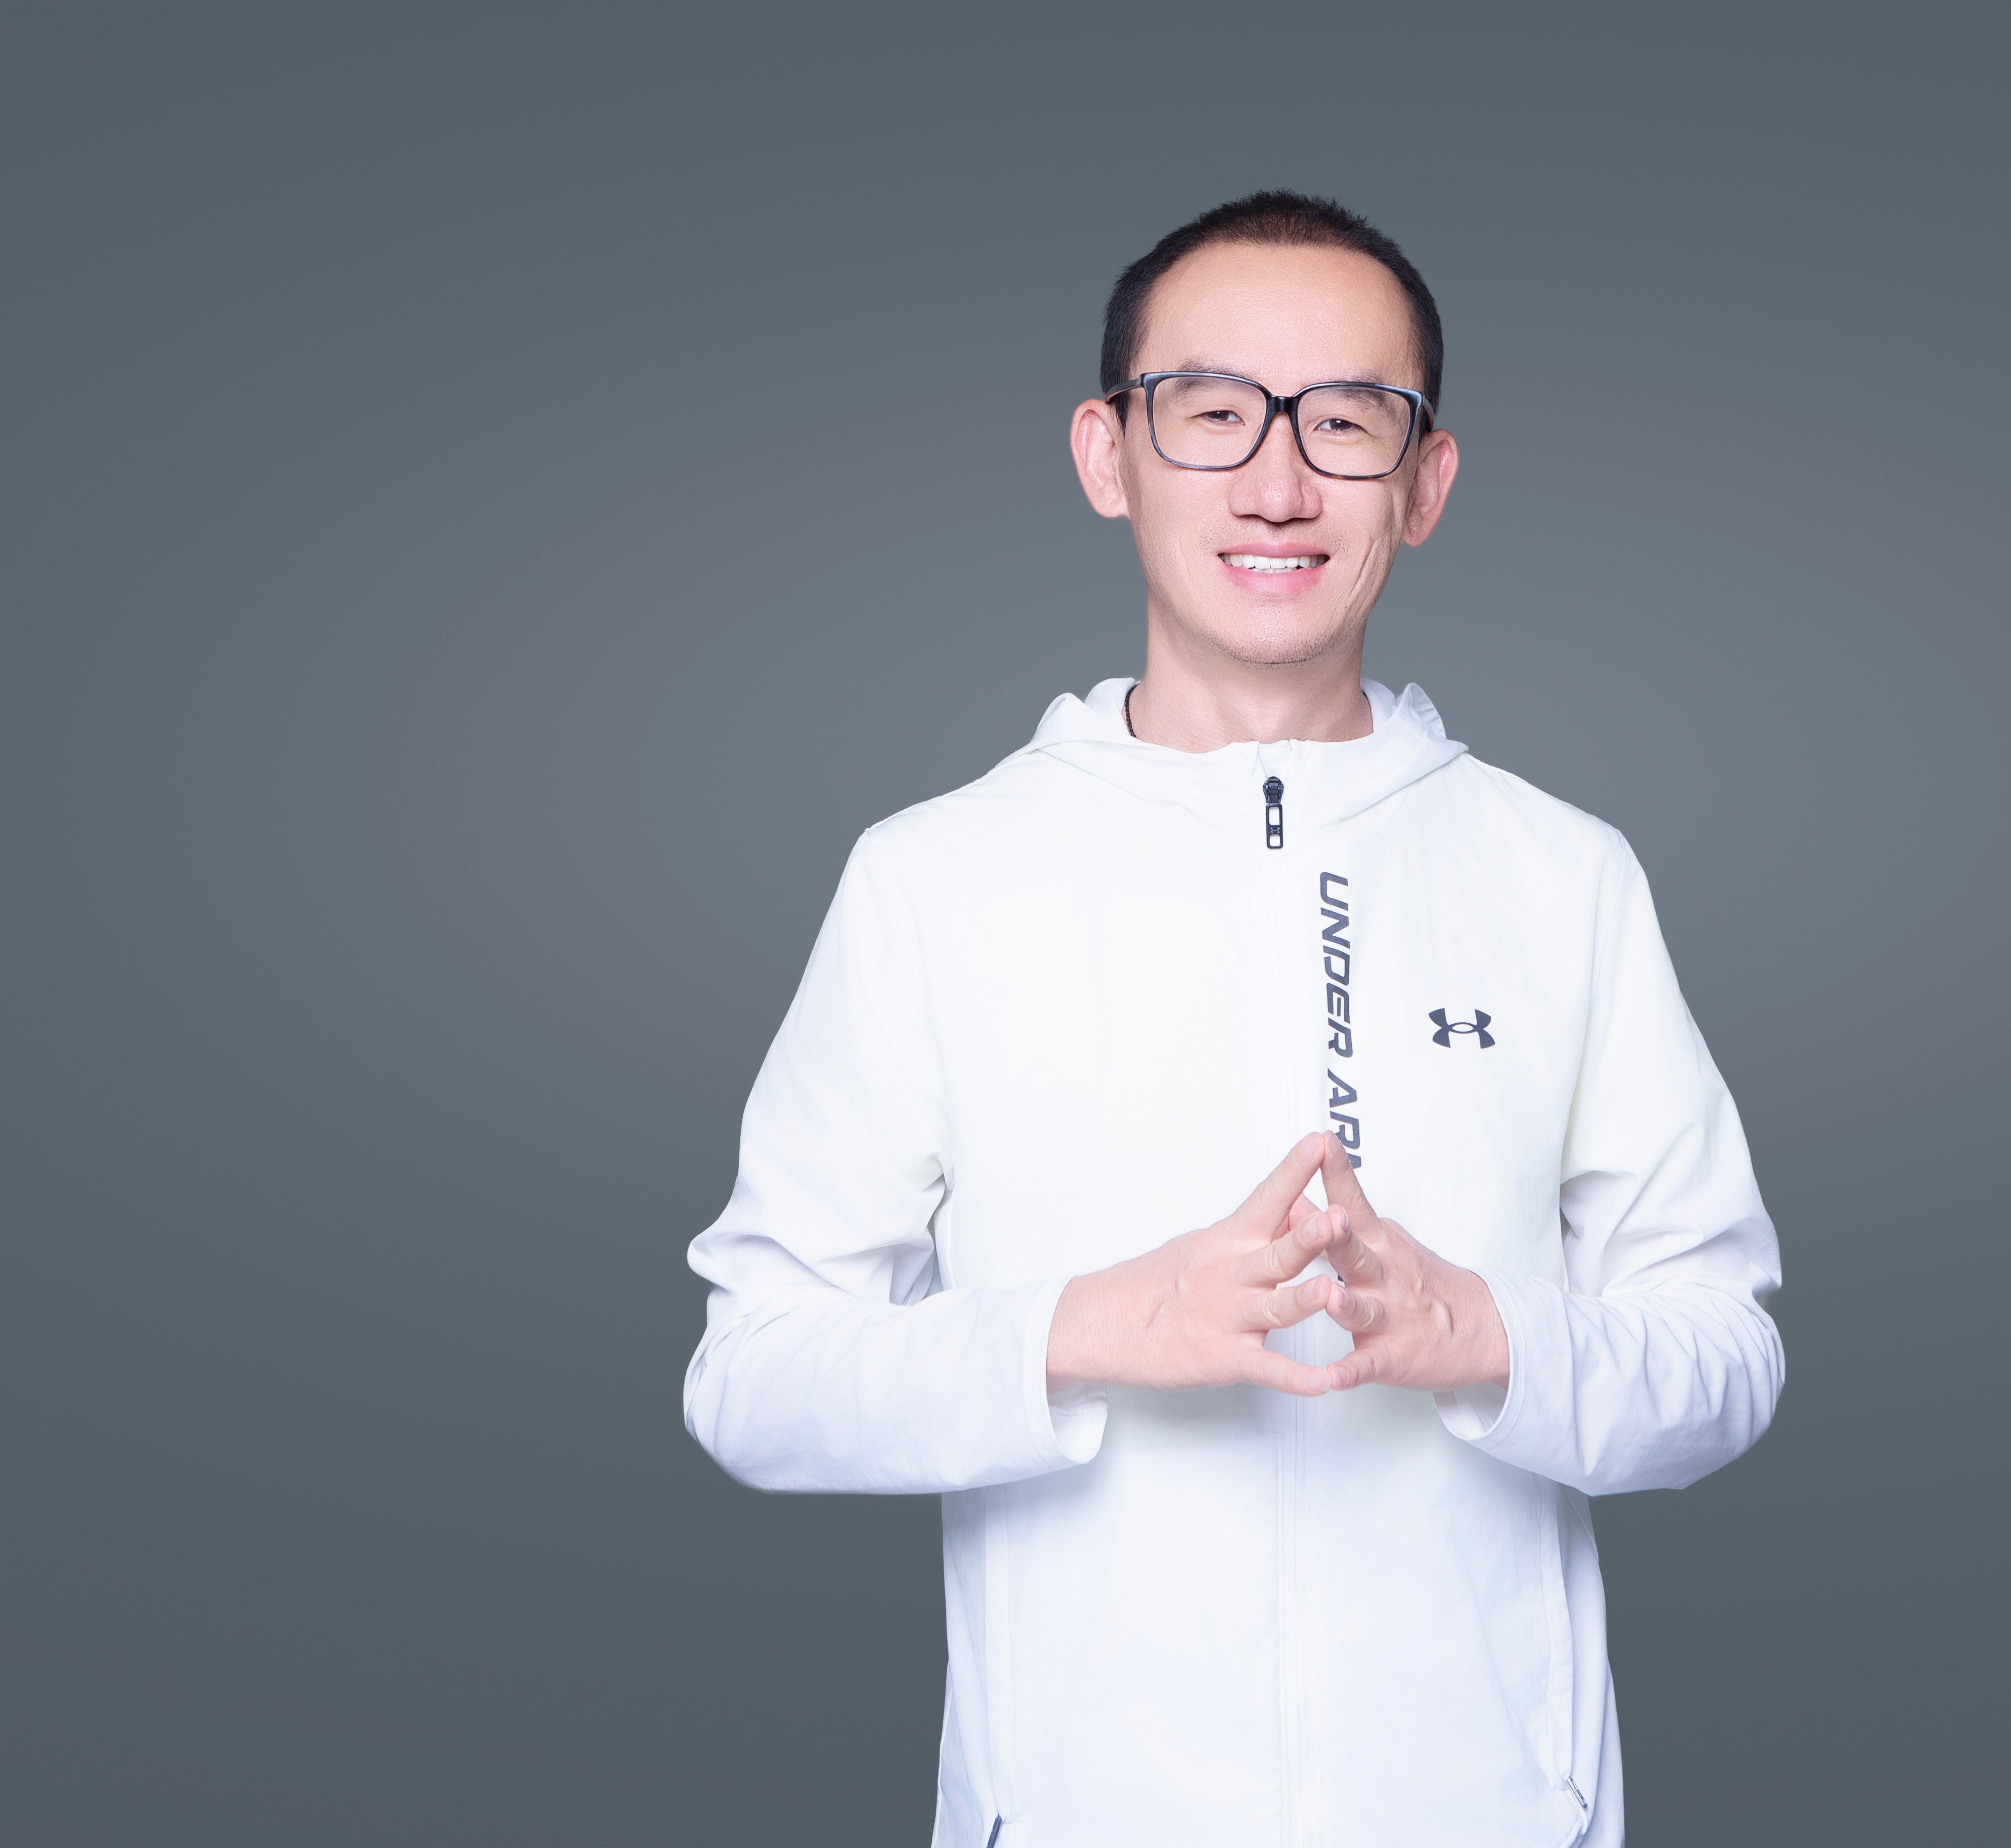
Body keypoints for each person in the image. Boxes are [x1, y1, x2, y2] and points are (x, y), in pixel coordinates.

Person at [681, 191, 1785, 1848]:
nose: (1279, 484)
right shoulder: (933, 879)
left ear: (1426, 483)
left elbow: (1726, 1357)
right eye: (1213, 415)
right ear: (1108, 454)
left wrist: (1488, 1333)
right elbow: (755, 1380)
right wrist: (1087, 1328)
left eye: (1348, 421)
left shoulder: (1562, 877)